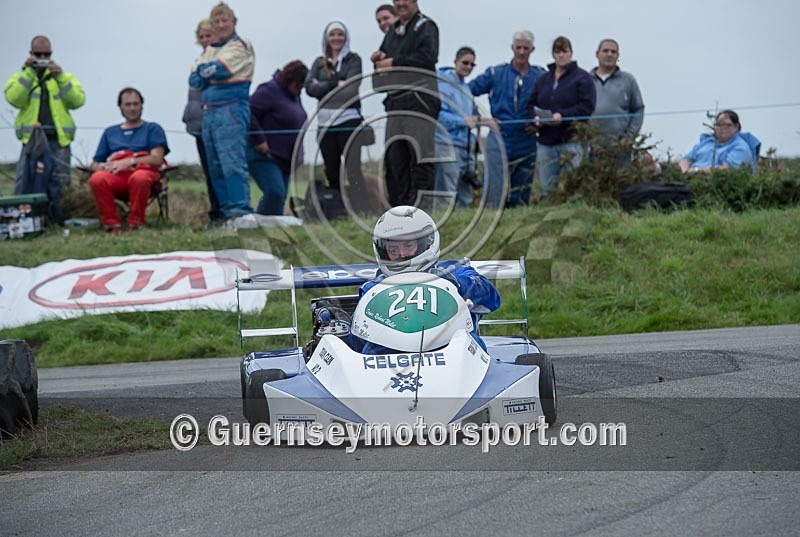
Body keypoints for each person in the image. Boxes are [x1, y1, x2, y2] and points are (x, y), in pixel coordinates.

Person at [354, 205, 500, 354]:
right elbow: (357, 340)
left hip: (452, 354)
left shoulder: (455, 271)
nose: (402, 254)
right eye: (393, 249)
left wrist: (458, 284)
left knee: (474, 345)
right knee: (369, 351)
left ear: (428, 242)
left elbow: (492, 300)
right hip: (390, 360)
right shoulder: (373, 288)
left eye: (408, 245)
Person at [4, 35, 85, 223]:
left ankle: (59, 219)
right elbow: (14, 99)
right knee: (25, 181)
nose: (42, 58)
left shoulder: (62, 77)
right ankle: (22, 221)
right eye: (38, 54)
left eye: (46, 54)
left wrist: (61, 77)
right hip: (31, 140)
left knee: (61, 183)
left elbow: (78, 101)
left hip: (59, 139)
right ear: (30, 53)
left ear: (51, 54)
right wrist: (30, 72)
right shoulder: (21, 77)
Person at [370, 0, 440, 208]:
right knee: (395, 160)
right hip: (395, 104)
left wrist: (393, 63)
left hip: (420, 101)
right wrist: (379, 63)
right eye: (397, 0)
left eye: (405, 0)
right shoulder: (392, 32)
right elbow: (379, 76)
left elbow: (428, 57)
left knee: (419, 157)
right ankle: (398, 211)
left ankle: (421, 210)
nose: (401, 4)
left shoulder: (426, 26)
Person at [189, 1, 254, 224]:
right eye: (216, 21)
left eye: (224, 20)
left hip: (231, 108)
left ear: (234, 22)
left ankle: (240, 212)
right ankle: (226, 214)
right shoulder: (210, 50)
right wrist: (207, 72)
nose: (220, 24)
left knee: (232, 162)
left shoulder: (240, 44)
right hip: (209, 112)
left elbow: (220, 69)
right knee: (214, 165)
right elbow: (194, 79)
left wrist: (207, 72)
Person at [469, 30, 546, 207]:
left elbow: (553, 101)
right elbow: (466, 91)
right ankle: (491, 221)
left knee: (522, 188)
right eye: (518, 47)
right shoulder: (496, 73)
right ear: (512, 48)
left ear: (532, 49)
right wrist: (482, 119)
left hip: (526, 137)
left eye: (525, 48)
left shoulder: (540, 76)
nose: (521, 51)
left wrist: (541, 123)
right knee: (494, 187)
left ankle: (517, 225)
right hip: (499, 135)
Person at [305, 20, 369, 213]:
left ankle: (361, 209)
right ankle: (338, 210)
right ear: (326, 38)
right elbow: (309, 88)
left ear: (346, 37)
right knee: (331, 170)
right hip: (325, 123)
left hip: (348, 120)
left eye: (340, 34)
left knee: (353, 168)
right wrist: (336, 83)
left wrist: (323, 85)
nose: (336, 38)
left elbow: (351, 88)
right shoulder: (318, 62)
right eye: (332, 35)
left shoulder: (354, 59)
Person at [87, 88, 170, 234]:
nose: (132, 108)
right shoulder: (110, 132)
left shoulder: (152, 129)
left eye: (136, 104)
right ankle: (112, 225)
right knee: (97, 179)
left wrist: (130, 161)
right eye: (128, 104)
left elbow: (157, 158)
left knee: (140, 177)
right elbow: (94, 163)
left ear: (142, 106)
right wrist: (101, 167)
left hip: (143, 175)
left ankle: (136, 223)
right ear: (120, 107)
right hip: (117, 176)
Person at [527, 36, 596, 195]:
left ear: (571, 53)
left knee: (573, 188)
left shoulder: (583, 78)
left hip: (572, 141)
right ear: (553, 54)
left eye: (564, 51)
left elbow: (587, 107)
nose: (561, 55)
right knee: (547, 189)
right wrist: (536, 119)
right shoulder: (543, 79)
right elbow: (530, 104)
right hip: (546, 142)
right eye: (557, 51)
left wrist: (562, 115)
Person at [248, 60, 309, 215]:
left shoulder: (294, 95)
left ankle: (274, 231)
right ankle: (260, 226)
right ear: (290, 80)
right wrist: (259, 140)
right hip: (265, 155)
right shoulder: (268, 91)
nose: (300, 88)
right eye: (299, 84)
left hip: (286, 158)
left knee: (280, 198)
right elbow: (248, 114)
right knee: (275, 193)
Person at [182, 18, 222, 224]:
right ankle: (215, 213)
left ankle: (225, 212)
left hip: (217, 124)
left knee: (221, 170)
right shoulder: (199, 62)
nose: (205, 40)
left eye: (209, 36)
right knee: (209, 171)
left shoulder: (223, 61)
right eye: (202, 36)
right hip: (199, 125)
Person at [434, 46, 479, 208]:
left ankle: (463, 221)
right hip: (445, 143)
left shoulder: (467, 89)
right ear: (455, 62)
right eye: (465, 63)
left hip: (465, 146)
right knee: (446, 190)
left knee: (464, 191)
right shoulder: (442, 83)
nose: (468, 67)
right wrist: (462, 121)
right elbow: (438, 114)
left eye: (472, 65)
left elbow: (472, 116)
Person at [589, 39, 645, 161]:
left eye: (613, 52)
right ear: (597, 54)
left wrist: (629, 138)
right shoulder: (586, 80)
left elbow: (638, 109)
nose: (609, 54)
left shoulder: (628, 80)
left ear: (618, 56)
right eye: (605, 51)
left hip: (620, 149)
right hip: (591, 147)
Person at [679, 110, 758, 174]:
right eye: (718, 124)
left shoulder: (741, 148)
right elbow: (685, 160)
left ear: (736, 126)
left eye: (727, 125)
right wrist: (685, 173)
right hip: (688, 180)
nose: (721, 128)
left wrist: (697, 171)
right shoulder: (706, 142)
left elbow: (726, 170)